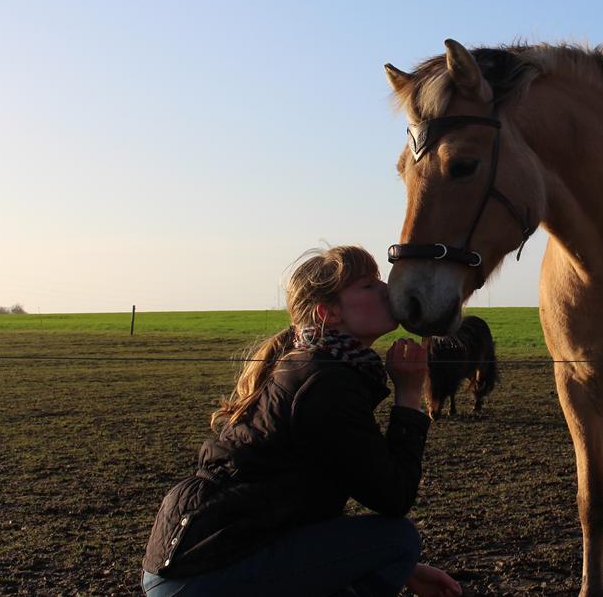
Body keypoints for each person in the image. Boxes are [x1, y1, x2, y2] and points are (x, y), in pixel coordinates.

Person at [141, 245, 462, 597]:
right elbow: (394, 495)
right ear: (328, 313)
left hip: (190, 563)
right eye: (368, 286)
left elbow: (300, 501)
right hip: (200, 575)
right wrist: (408, 396)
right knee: (399, 539)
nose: (387, 289)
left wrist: (393, 567)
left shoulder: (313, 366)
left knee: (391, 548)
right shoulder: (324, 382)